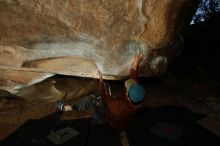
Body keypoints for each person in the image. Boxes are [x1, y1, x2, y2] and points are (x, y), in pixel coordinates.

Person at [57, 52, 145, 131]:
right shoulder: (139, 99)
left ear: (128, 97)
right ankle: (98, 100)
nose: (127, 89)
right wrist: (136, 65)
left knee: (90, 100)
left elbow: (103, 95)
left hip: (107, 119)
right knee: (105, 87)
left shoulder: (118, 106)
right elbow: (135, 82)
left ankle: (69, 108)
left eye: (127, 90)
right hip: (118, 115)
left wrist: (101, 80)